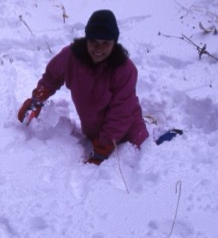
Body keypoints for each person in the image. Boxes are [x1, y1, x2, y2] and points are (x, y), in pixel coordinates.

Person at [17, 9, 149, 165]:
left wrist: (104, 145)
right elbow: (52, 77)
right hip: (95, 135)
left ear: (114, 43)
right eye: (94, 42)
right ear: (87, 39)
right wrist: (38, 98)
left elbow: (122, 111)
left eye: (105, 43)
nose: (98, 49)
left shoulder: (124, 69)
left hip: (128, 135)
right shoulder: (71, 57)